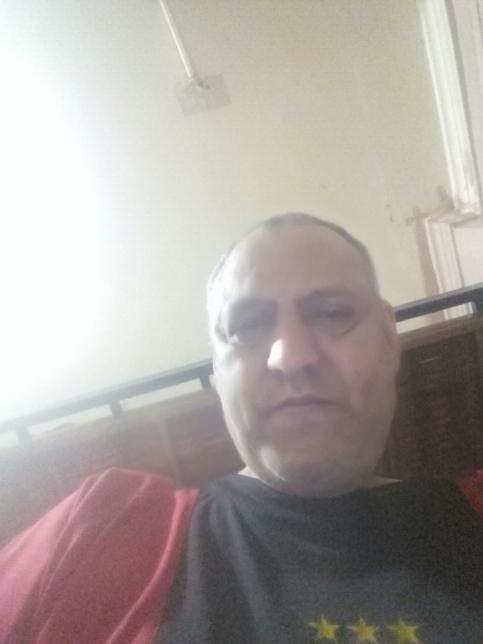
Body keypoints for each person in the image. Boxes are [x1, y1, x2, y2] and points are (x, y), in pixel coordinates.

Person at [1, 213, 482, 644]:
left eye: (334, 314)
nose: (290, 357)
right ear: (217, 372)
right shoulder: (98, 531)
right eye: (247, 326)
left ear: (389, 339)